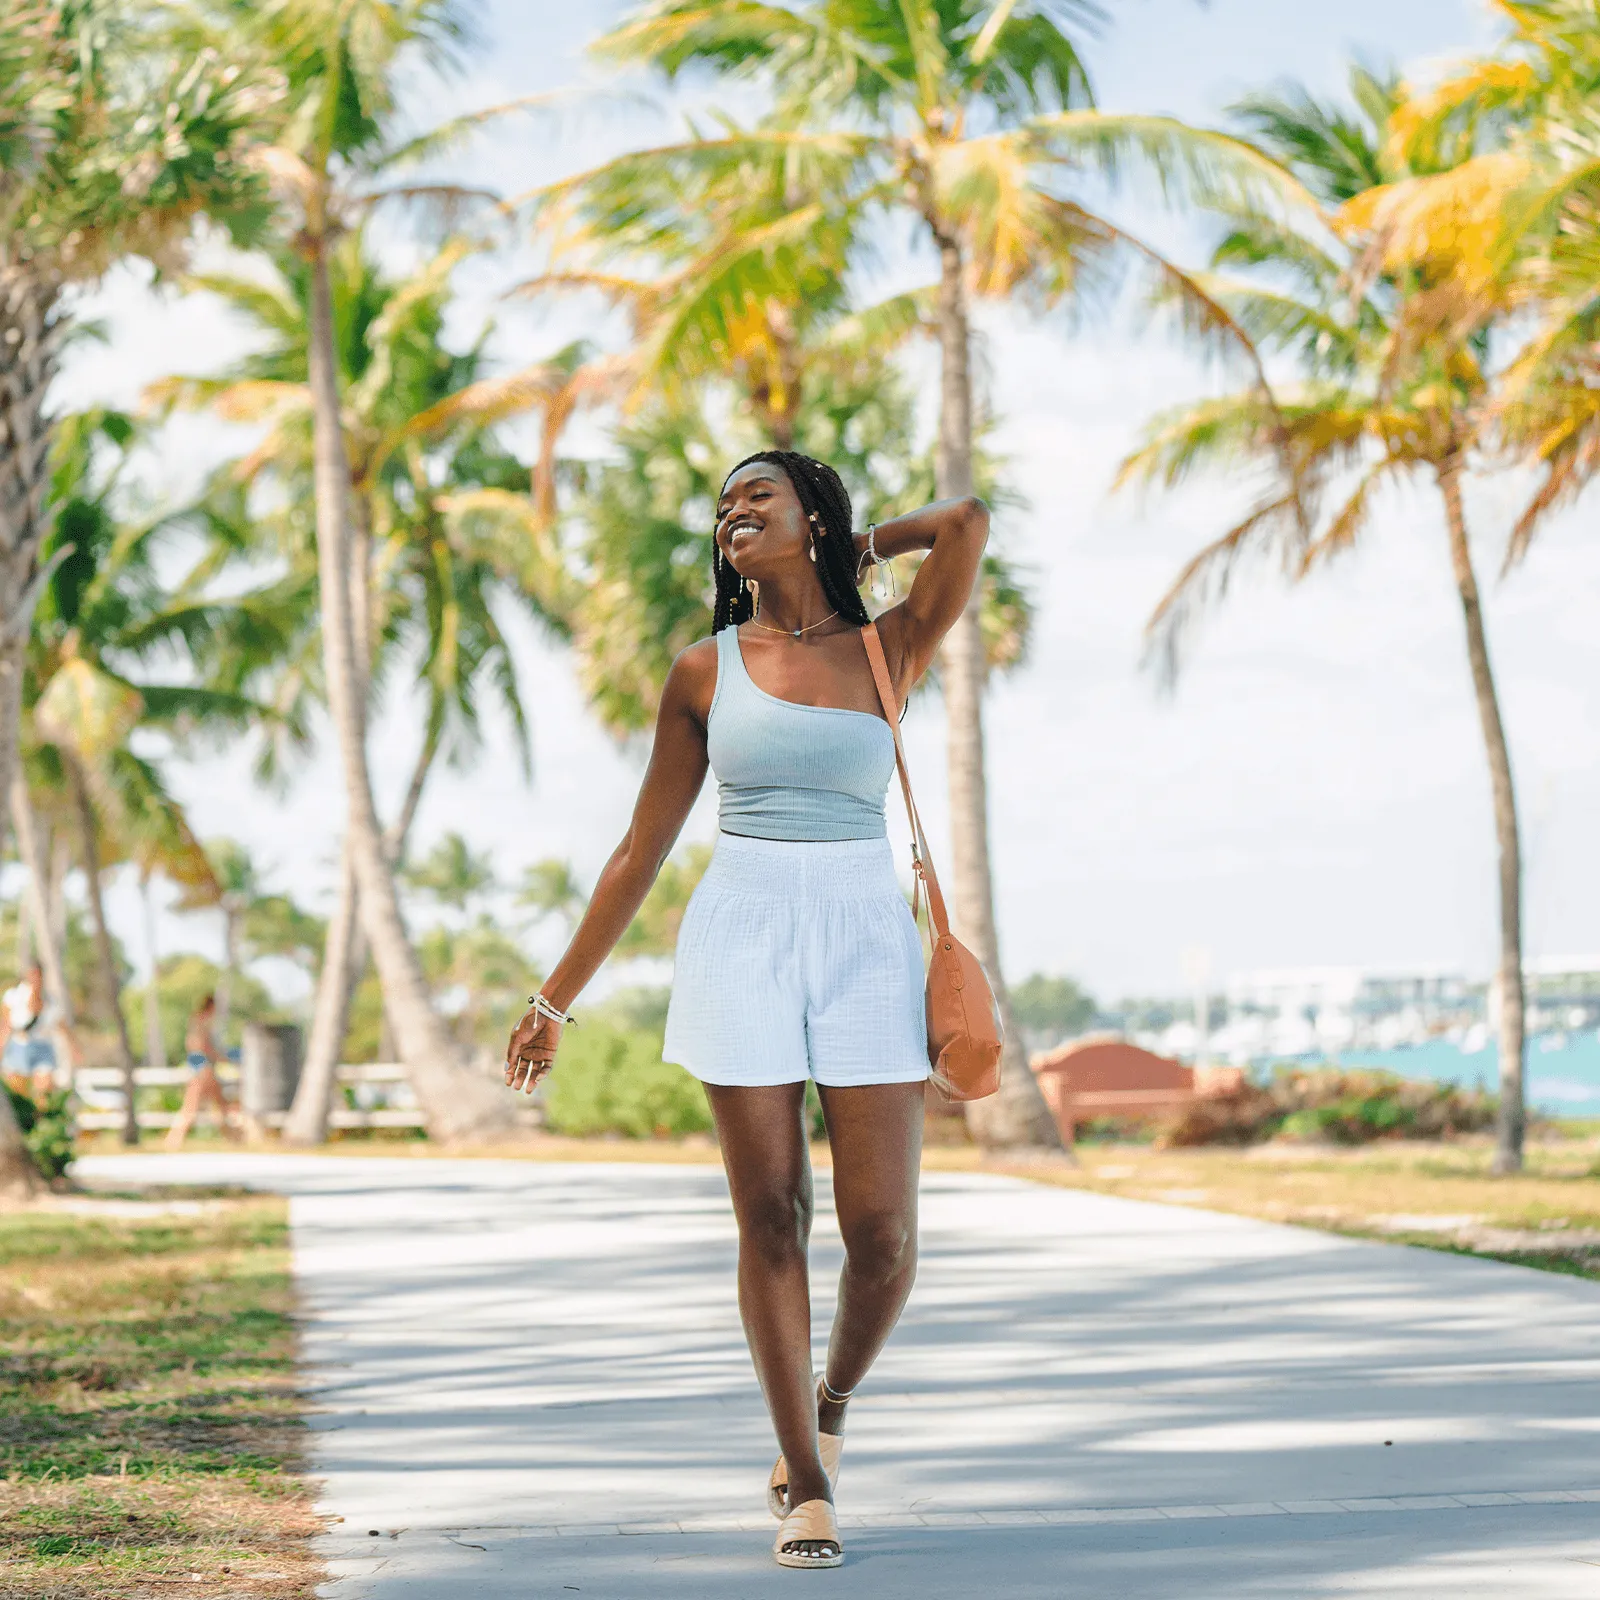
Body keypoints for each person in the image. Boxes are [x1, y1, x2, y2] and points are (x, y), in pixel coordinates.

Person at [504, 450, 988, 1571]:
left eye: (756, 494)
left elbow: (961, 522)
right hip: (743, 932)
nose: (733, 512)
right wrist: (552, 999)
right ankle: (805, 1480)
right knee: (771, 1214)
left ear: (810, 514)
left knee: (882, 1237)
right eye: (723, 505)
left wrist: (858, 548)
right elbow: (639, 851)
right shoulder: (703, 670)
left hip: (866, 936)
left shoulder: (887, 647)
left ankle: (830, 1395)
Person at [164, 993, 239, 1149]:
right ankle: (173, 1140)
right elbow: (200, 1046)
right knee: (192, 1106)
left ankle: (234, 1138)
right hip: (203, 1068)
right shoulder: (201, 1022)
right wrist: (220, 1058)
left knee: (220, 1105)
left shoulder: (199, 1022)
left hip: (203, 1067)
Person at [0, 962, 79, 1101]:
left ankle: (42, 1118)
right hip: (18, 1046)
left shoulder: (51, 1001)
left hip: (42, 1047)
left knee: (44, 1091)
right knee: (17, 1094)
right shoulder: (13, 997)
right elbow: (5, 1026)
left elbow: (63, 1027)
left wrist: (74, 1049)